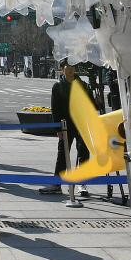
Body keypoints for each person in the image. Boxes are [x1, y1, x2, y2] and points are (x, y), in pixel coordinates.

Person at [39, 62, 91, 195]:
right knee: (62, 153)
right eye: (68, 66)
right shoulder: (58, 86)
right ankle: (57, 183)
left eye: (73, 66)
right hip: (66, 125)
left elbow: (90, 104)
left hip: (82, 123)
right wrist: (58, 128)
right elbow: (55, 108)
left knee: (83, 152)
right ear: (62, 69)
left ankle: (82, 182)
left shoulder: (83, 85)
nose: (71, 69)